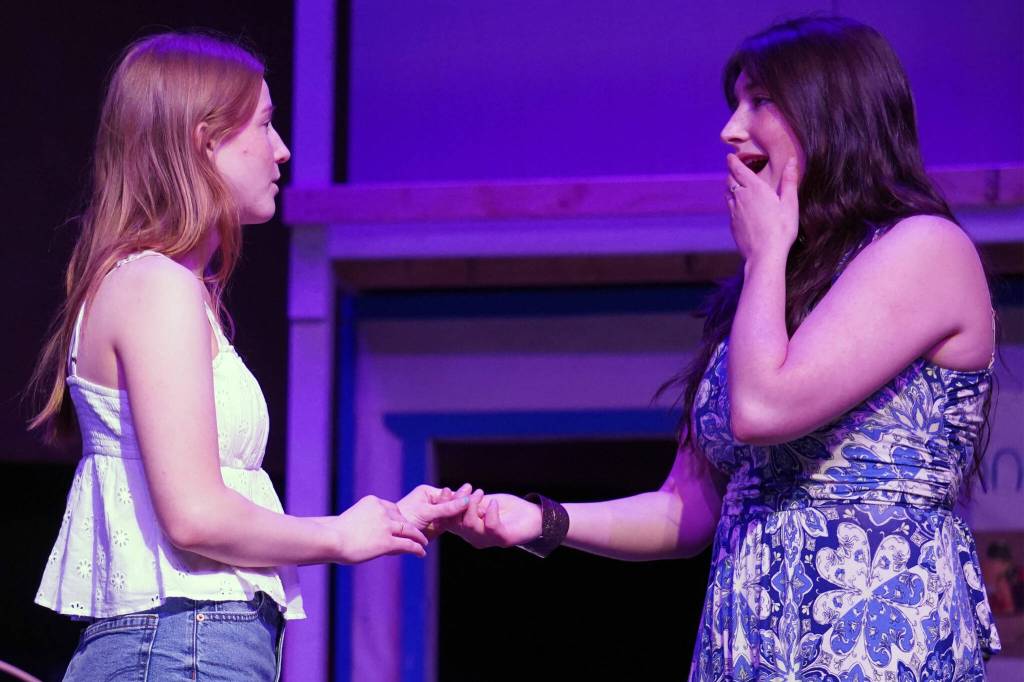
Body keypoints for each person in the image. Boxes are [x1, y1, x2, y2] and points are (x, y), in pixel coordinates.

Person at [443, 16, 1002, 681]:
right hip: (748, 643)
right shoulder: (768, 291)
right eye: (735, 102)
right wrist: (541, 520)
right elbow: (687, 508)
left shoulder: (923, 249)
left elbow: (764, 409)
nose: (731, 129)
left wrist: (766, 256)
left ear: (834, 113)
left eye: (761, 101)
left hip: (874, 645)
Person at [28, 32, 469, 680]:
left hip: (190, 643)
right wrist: (340, 536)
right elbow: (197, 516)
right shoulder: (156, 286)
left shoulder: (168, 289)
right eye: (264, 124)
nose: (282, 151)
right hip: (182, 645)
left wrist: (390, 519)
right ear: (205, 141)